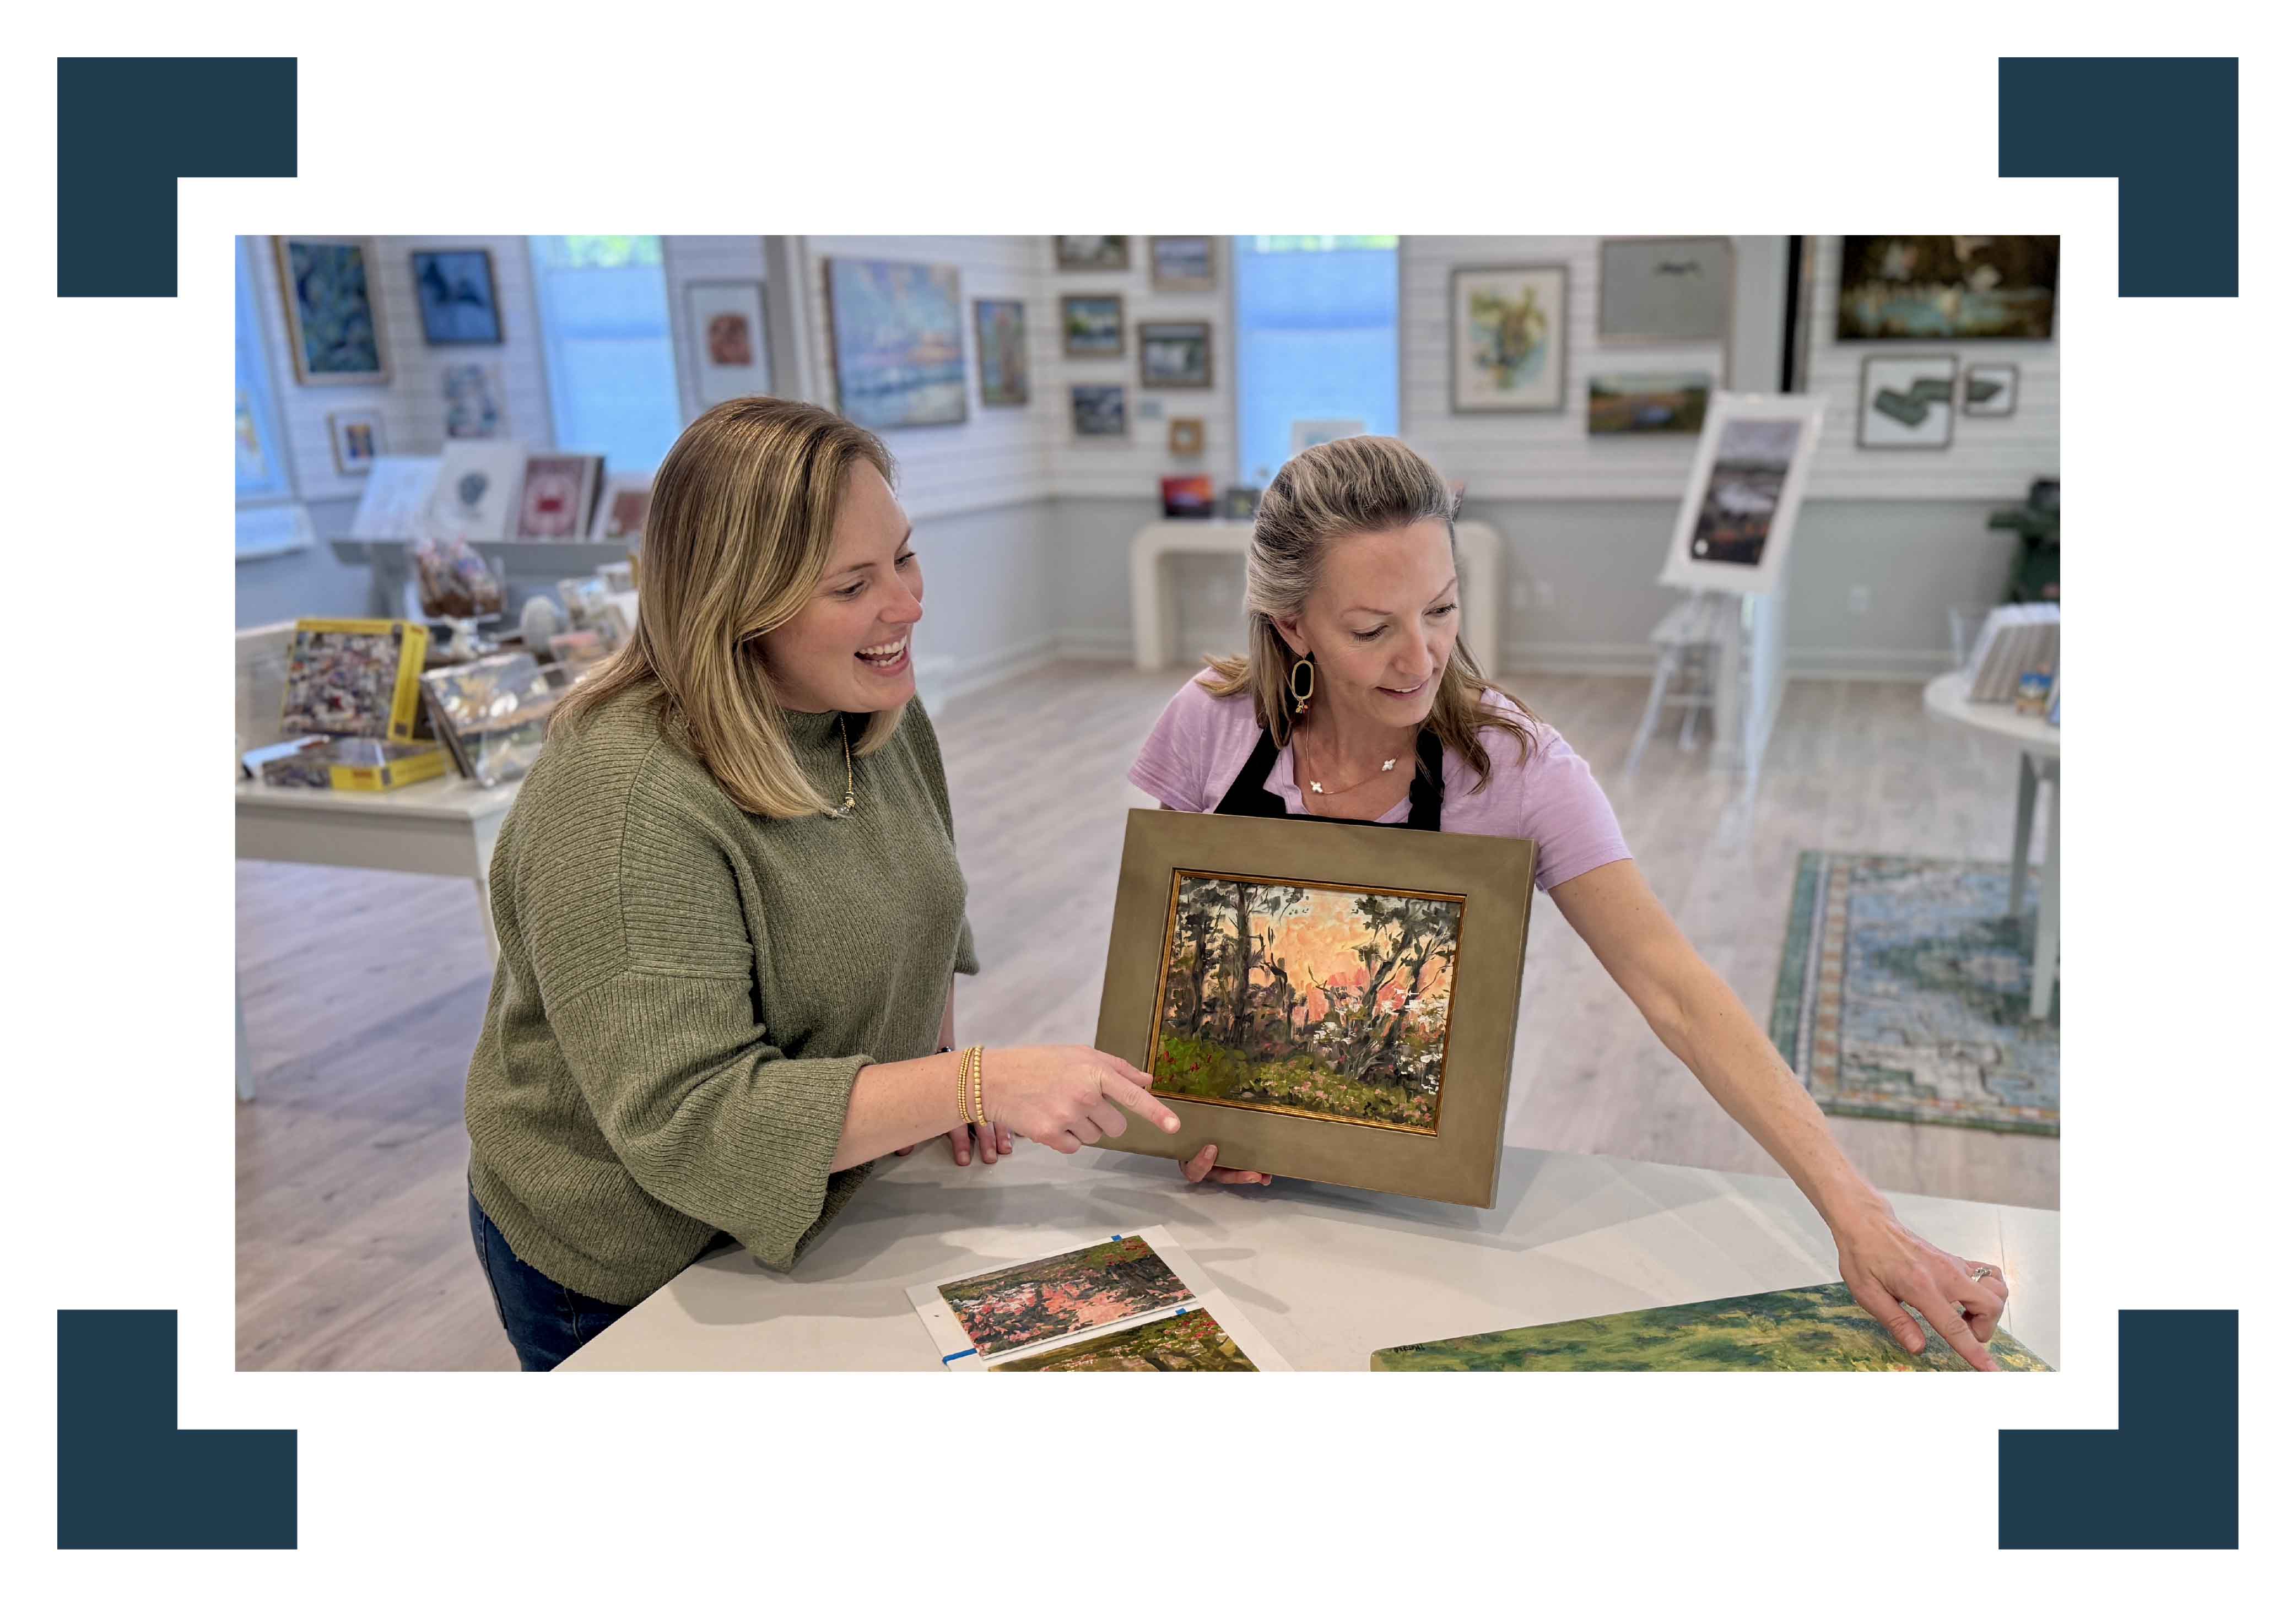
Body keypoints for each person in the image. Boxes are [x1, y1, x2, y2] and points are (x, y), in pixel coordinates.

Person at [1126, 434, 2012, 1369]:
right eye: (1371, 628)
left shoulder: (1518, 768)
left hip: (1417, 1218)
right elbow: (1164, 979)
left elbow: (1675, 988)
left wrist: (1860, 1214)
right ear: (1294, 625)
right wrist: (1187, 1124)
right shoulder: (1209, 722)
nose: (1421, 656)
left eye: (1441, 608)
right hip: (1223, 1208)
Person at [464, 397, 1179, 1370]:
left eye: (905, 557)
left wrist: (944, 1064)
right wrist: (978, 1081)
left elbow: (923, 902)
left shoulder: (874, 712)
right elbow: (695, 1122)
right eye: (853, 585)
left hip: (833, 1212)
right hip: (630, 1264)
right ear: (738, 604)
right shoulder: (623, 801)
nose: (909, 604)